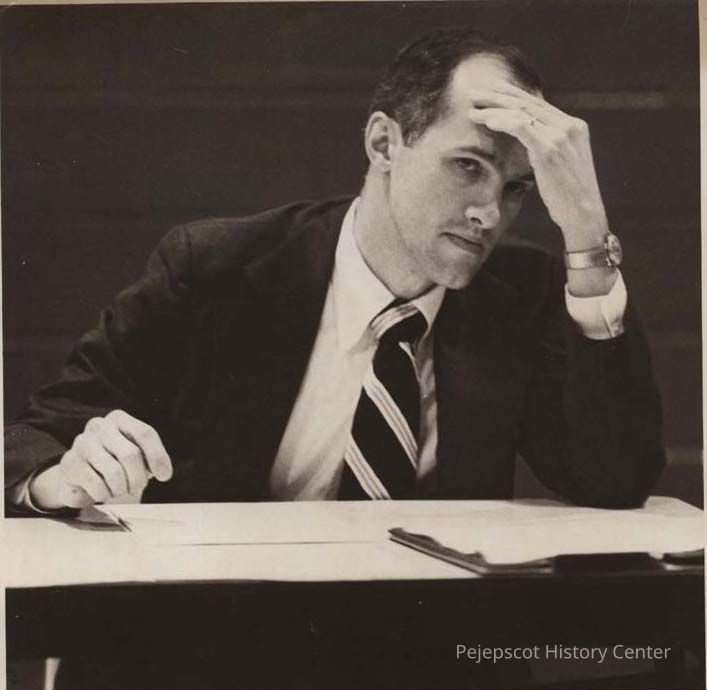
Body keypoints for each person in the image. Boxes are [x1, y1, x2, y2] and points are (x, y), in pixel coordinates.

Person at [5, 27, 665, 515]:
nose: (490, 213)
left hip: (429, 635)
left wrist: (585, 232)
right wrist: (59, 478)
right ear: (383, 143)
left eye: (517, 187)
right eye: (468, 165)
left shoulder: (524, 292)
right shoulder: (216, 267)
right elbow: (36, 437)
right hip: (224, 627)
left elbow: (614, 480)